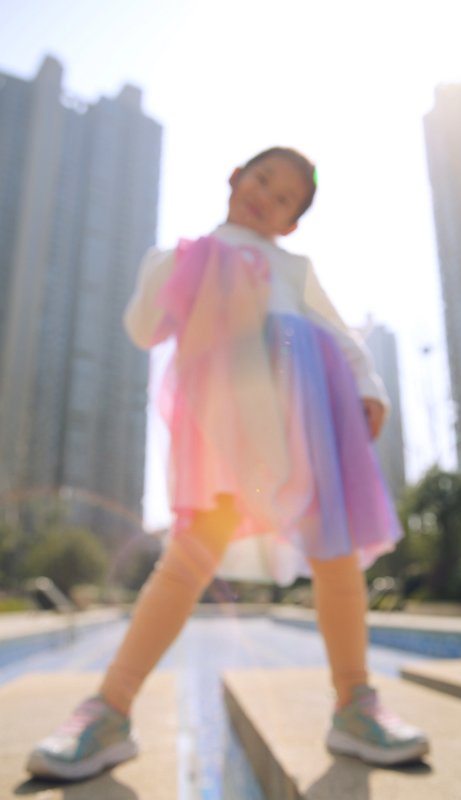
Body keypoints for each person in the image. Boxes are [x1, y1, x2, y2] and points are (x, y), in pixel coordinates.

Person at [27, 146, 429, 781]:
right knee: (188, 557)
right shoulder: (186, 258)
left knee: (336, 558)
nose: (266, 197)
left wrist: (368, 385)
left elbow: (339, 333)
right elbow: (144, 329)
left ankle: (355, 703)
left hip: (305, 426)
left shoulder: (294, 267)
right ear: (236, 177)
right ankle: (109, 709)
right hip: (225, 432)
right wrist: (162, 270)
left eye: (284, 198)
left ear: (291, 223)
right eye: (262, 180)